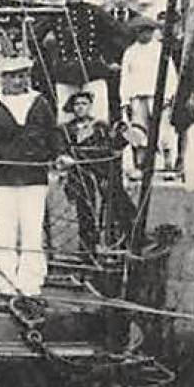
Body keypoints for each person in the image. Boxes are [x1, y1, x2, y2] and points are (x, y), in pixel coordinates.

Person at [0, 55, 63, 298]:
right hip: (3, 177)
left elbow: (52, 132)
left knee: (32, 230)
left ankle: (30, 282)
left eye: (22, 76)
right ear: (4, 79)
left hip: (34, 175)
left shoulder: (39, 102)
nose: (17, 81)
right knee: (4, 230)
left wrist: (60, 155)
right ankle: (5, 280)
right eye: (12, 76)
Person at [58, 89, 135, 259]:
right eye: (76, 104)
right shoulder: (65, 129)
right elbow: (61, 150)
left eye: (84, 104)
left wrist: (124, 135)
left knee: (115, 202)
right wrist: (65, 158)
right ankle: (87, 251)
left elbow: (112, 146)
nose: (80, 108)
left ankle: (127, 240)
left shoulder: (100, 126)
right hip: (79, 174)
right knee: (85, 210)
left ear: (90, 106)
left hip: (101, 172)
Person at [41, 0, 118, 121]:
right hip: (66, 73)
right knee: (65, 117)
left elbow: (117, 34)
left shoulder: (95, 12)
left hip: (93, 71)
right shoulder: (56, 13)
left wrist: (111, 59)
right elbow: (36, 37)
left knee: (98, 115)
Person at [119, 13, 170, 175]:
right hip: (137, 96)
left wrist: (168, 96)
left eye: (147, 31)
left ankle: (166, 163)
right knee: (139, 131)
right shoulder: (130, 52)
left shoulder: (160, 50)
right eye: (140, 31)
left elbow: (169, 74)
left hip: (157, 96)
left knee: (162, 130)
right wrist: (125, 100)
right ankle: (141, 164)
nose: (144, 34)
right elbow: (125, 77)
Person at [101, 0, 142, 113]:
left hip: (133, 70)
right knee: (111, 105)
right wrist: (108, 62)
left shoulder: (138, 19)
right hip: (111, 71)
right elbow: (100, 44)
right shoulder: (103, 18)